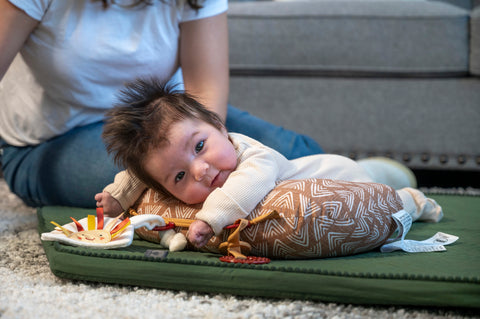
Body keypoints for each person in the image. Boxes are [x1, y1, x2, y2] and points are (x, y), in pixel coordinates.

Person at [0, 0, 325, 208]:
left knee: (298, 154)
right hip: (51, 140)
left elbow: (206, 98)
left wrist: (205, 149)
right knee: (166, 190)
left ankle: (372, 184)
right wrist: (187, 173)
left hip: (171, 124)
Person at [95, 78, 443, 248]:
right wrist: (118, 195)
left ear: (219, 125)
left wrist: (210, 219)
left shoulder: (254, 158)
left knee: (380, 197)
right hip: (320, 170)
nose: (201, 170)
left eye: (200, 146)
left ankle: (410, 199)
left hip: (341, 178)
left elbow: (240, 190)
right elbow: (141, 174)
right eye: (180, 175)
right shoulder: (172, 164)